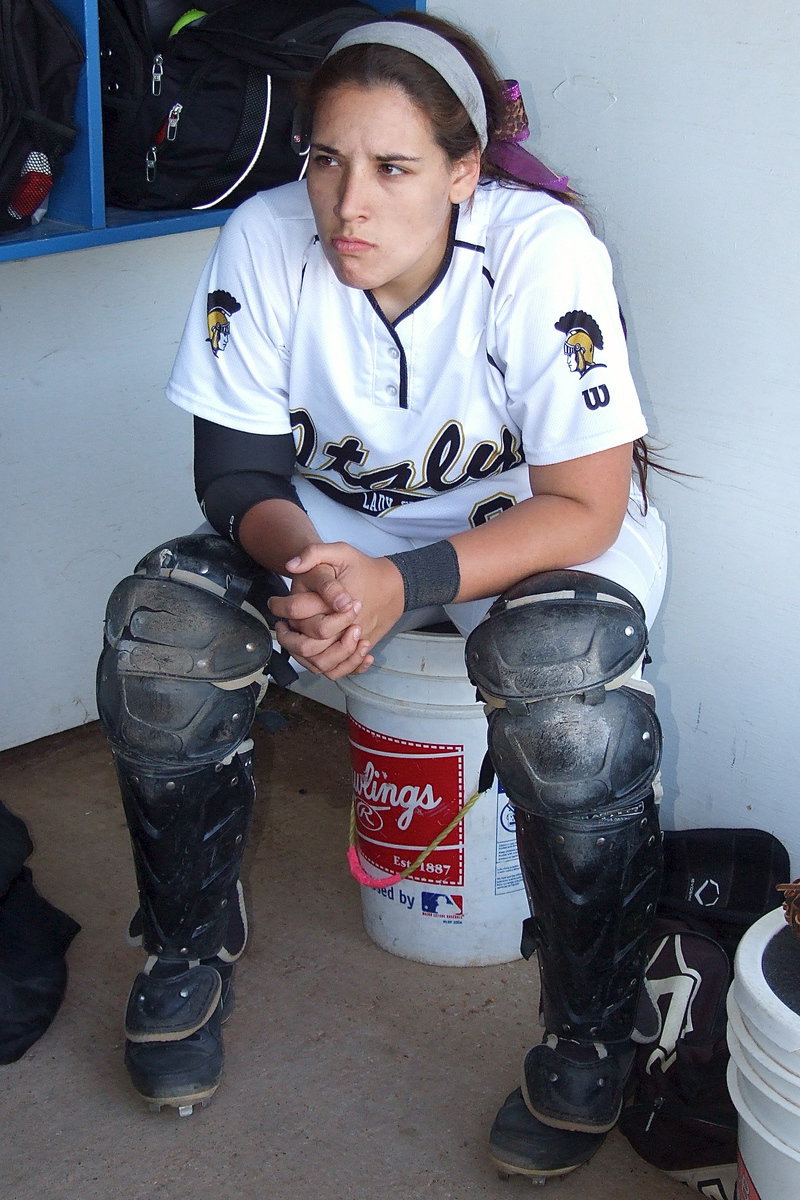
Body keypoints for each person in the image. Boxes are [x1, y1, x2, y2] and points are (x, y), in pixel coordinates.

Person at [96, 10, 668, 1182]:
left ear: (463, 172)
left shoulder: (539, 250)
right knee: (162, 638)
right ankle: (188, 949)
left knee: (569, 703)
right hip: (329, 528)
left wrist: (391, 584)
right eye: (323, 158)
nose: (347, 202)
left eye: (394, 167)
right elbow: (236, 473)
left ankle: (588, 1030)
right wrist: (311, 567)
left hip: (523, 533)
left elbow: (583, 506)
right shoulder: (262, 237)